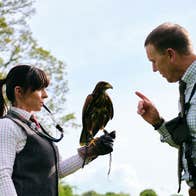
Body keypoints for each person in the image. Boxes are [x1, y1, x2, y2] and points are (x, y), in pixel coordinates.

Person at [0, 64, 115, 196]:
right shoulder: (7, 126)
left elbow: (57, 171)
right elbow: (2, 176)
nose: (46, 95)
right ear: (19, 91)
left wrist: (92, 151)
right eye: (40, 89)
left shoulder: (36, 129)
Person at [135, 22, 196, 196]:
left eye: (154, 61)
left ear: (170, 54)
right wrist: (157, 122)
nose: (154, 69)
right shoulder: (188, 87)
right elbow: (189, 145)